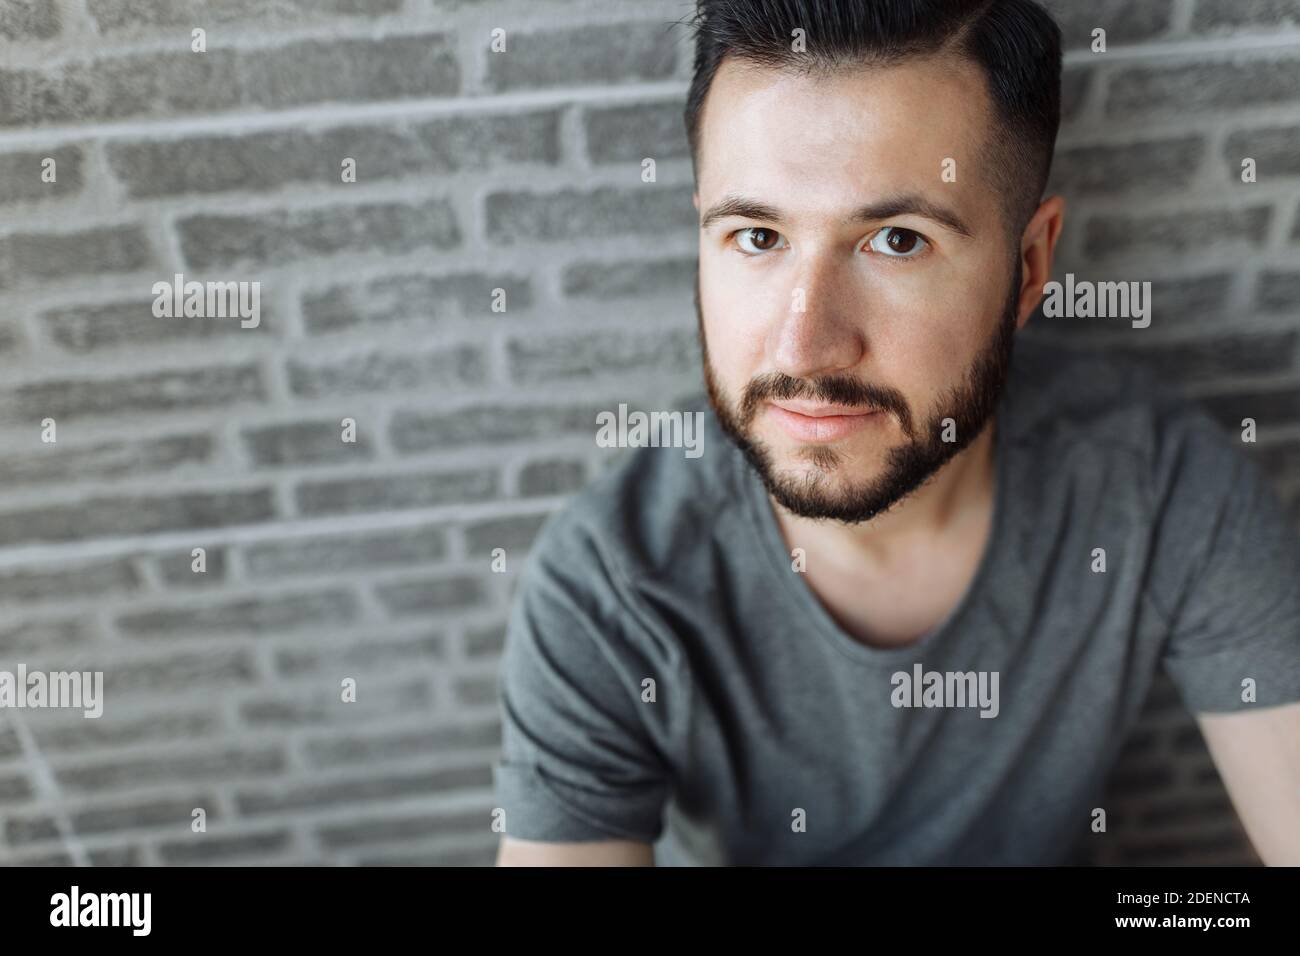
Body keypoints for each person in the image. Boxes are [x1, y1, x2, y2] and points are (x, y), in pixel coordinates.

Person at [492, 0, 1300, 866]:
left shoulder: (1157, 486)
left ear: (1029, 268)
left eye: (897, 241)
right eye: (757, 235)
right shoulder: (612, 587)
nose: (805, 343)